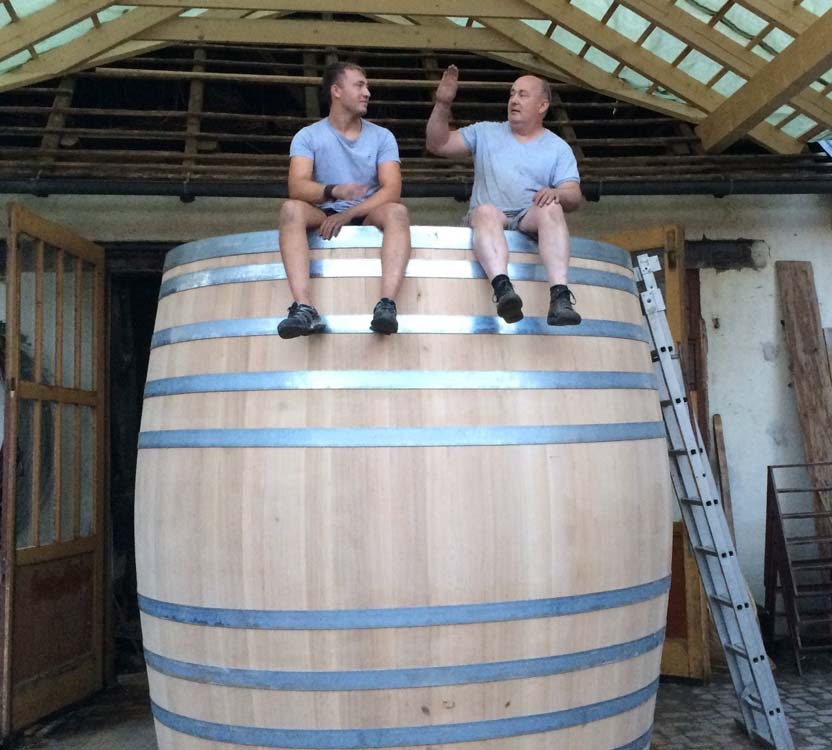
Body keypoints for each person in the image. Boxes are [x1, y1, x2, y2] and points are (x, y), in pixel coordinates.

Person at [426, 65, 583, 325]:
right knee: (485, 211)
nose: (514, 100)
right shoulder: (485, 131)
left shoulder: (558, 147)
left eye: (523, 94)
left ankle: (560, 297)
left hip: (527, 218)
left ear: (542, 106)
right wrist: (442, 104)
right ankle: (503, 290)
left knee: (552, 207)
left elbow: (574, 196)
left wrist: (557, 193)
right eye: (512, 94)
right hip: (488, 219)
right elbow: (437, 144)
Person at [277, 62, 411, 338]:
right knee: (290, 210)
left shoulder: (383, 137)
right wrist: (333, 190)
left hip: (368, 214)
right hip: (323, 213)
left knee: (397, 212)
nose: (367, 92)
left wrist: (348, 214)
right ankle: (304, 308)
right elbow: (297, 187)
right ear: (336, 91)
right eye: (359, 85)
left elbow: (392, 190)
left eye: (367, 86)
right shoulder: (307, 136)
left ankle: (386, 305)